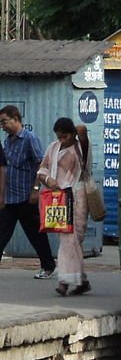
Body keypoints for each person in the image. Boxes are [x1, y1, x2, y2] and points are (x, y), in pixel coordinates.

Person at [0, 105, 57, 278]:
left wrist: (36, 189)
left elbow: (41, 165)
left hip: (26, 197)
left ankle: (48, 266)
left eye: (4, 121)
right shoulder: (8, 141)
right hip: (10, 197)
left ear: (15, 119)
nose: (2, 126)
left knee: (35, 235)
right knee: (2, 232)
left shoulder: (29, 139)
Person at [37, 117, 89, 296]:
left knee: (72, 239)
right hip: (58, 198)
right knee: (67, 239)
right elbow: (42, 169)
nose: (62, 140)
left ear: (72, 134)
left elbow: (83, 134)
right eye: (59, 137)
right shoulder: (53, 147)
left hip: (77, 197)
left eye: (65, 136)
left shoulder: (81, 149)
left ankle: (66, 280)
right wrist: (48, 180)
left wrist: (79, 133)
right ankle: (76, 280)